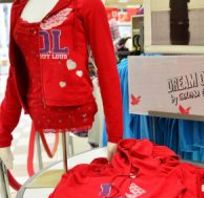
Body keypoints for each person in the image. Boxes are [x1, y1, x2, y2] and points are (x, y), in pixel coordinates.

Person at [0, 0, 123, 170]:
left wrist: (115, 135)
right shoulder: (19, 7)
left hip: (75, 111)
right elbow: (16, 74)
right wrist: (3, 132)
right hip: (38, 114)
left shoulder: (88, 4)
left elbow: (107, 70)